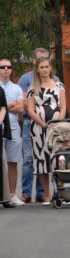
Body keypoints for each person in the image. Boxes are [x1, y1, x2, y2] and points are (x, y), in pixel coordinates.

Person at [25, 58, 66, 206]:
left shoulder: (59, 86)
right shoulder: (32, 88)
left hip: (57, 129)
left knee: (59, 159)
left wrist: (57, 124)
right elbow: (30, 110)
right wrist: (43, 124)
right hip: (38, 129)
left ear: (50, 68)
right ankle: (47, 195)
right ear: (37, 69)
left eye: (47, 66)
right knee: (42, 161)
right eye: (41, 67)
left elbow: (63, 108)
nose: (44, 69)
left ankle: (61, 192)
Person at [18, 48, 55, 203]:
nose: (44, 65)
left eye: (46, 60)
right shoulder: (26, 79)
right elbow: (25, 102)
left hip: (52, 126)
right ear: (34, 61)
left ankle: (42, 193)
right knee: (28, 159)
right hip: (30, 123)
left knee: (47, 158)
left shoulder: (56, 79)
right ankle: (26, 192)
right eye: (40, 60)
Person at [0, 59, 25, 206]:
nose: (5, 69)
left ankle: (12, 194)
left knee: (13, 162)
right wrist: (11, 104)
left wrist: (4, 105)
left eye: (8, 67)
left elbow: (21, 108)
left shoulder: (16, 88)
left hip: (14, 128)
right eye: (2, 67)